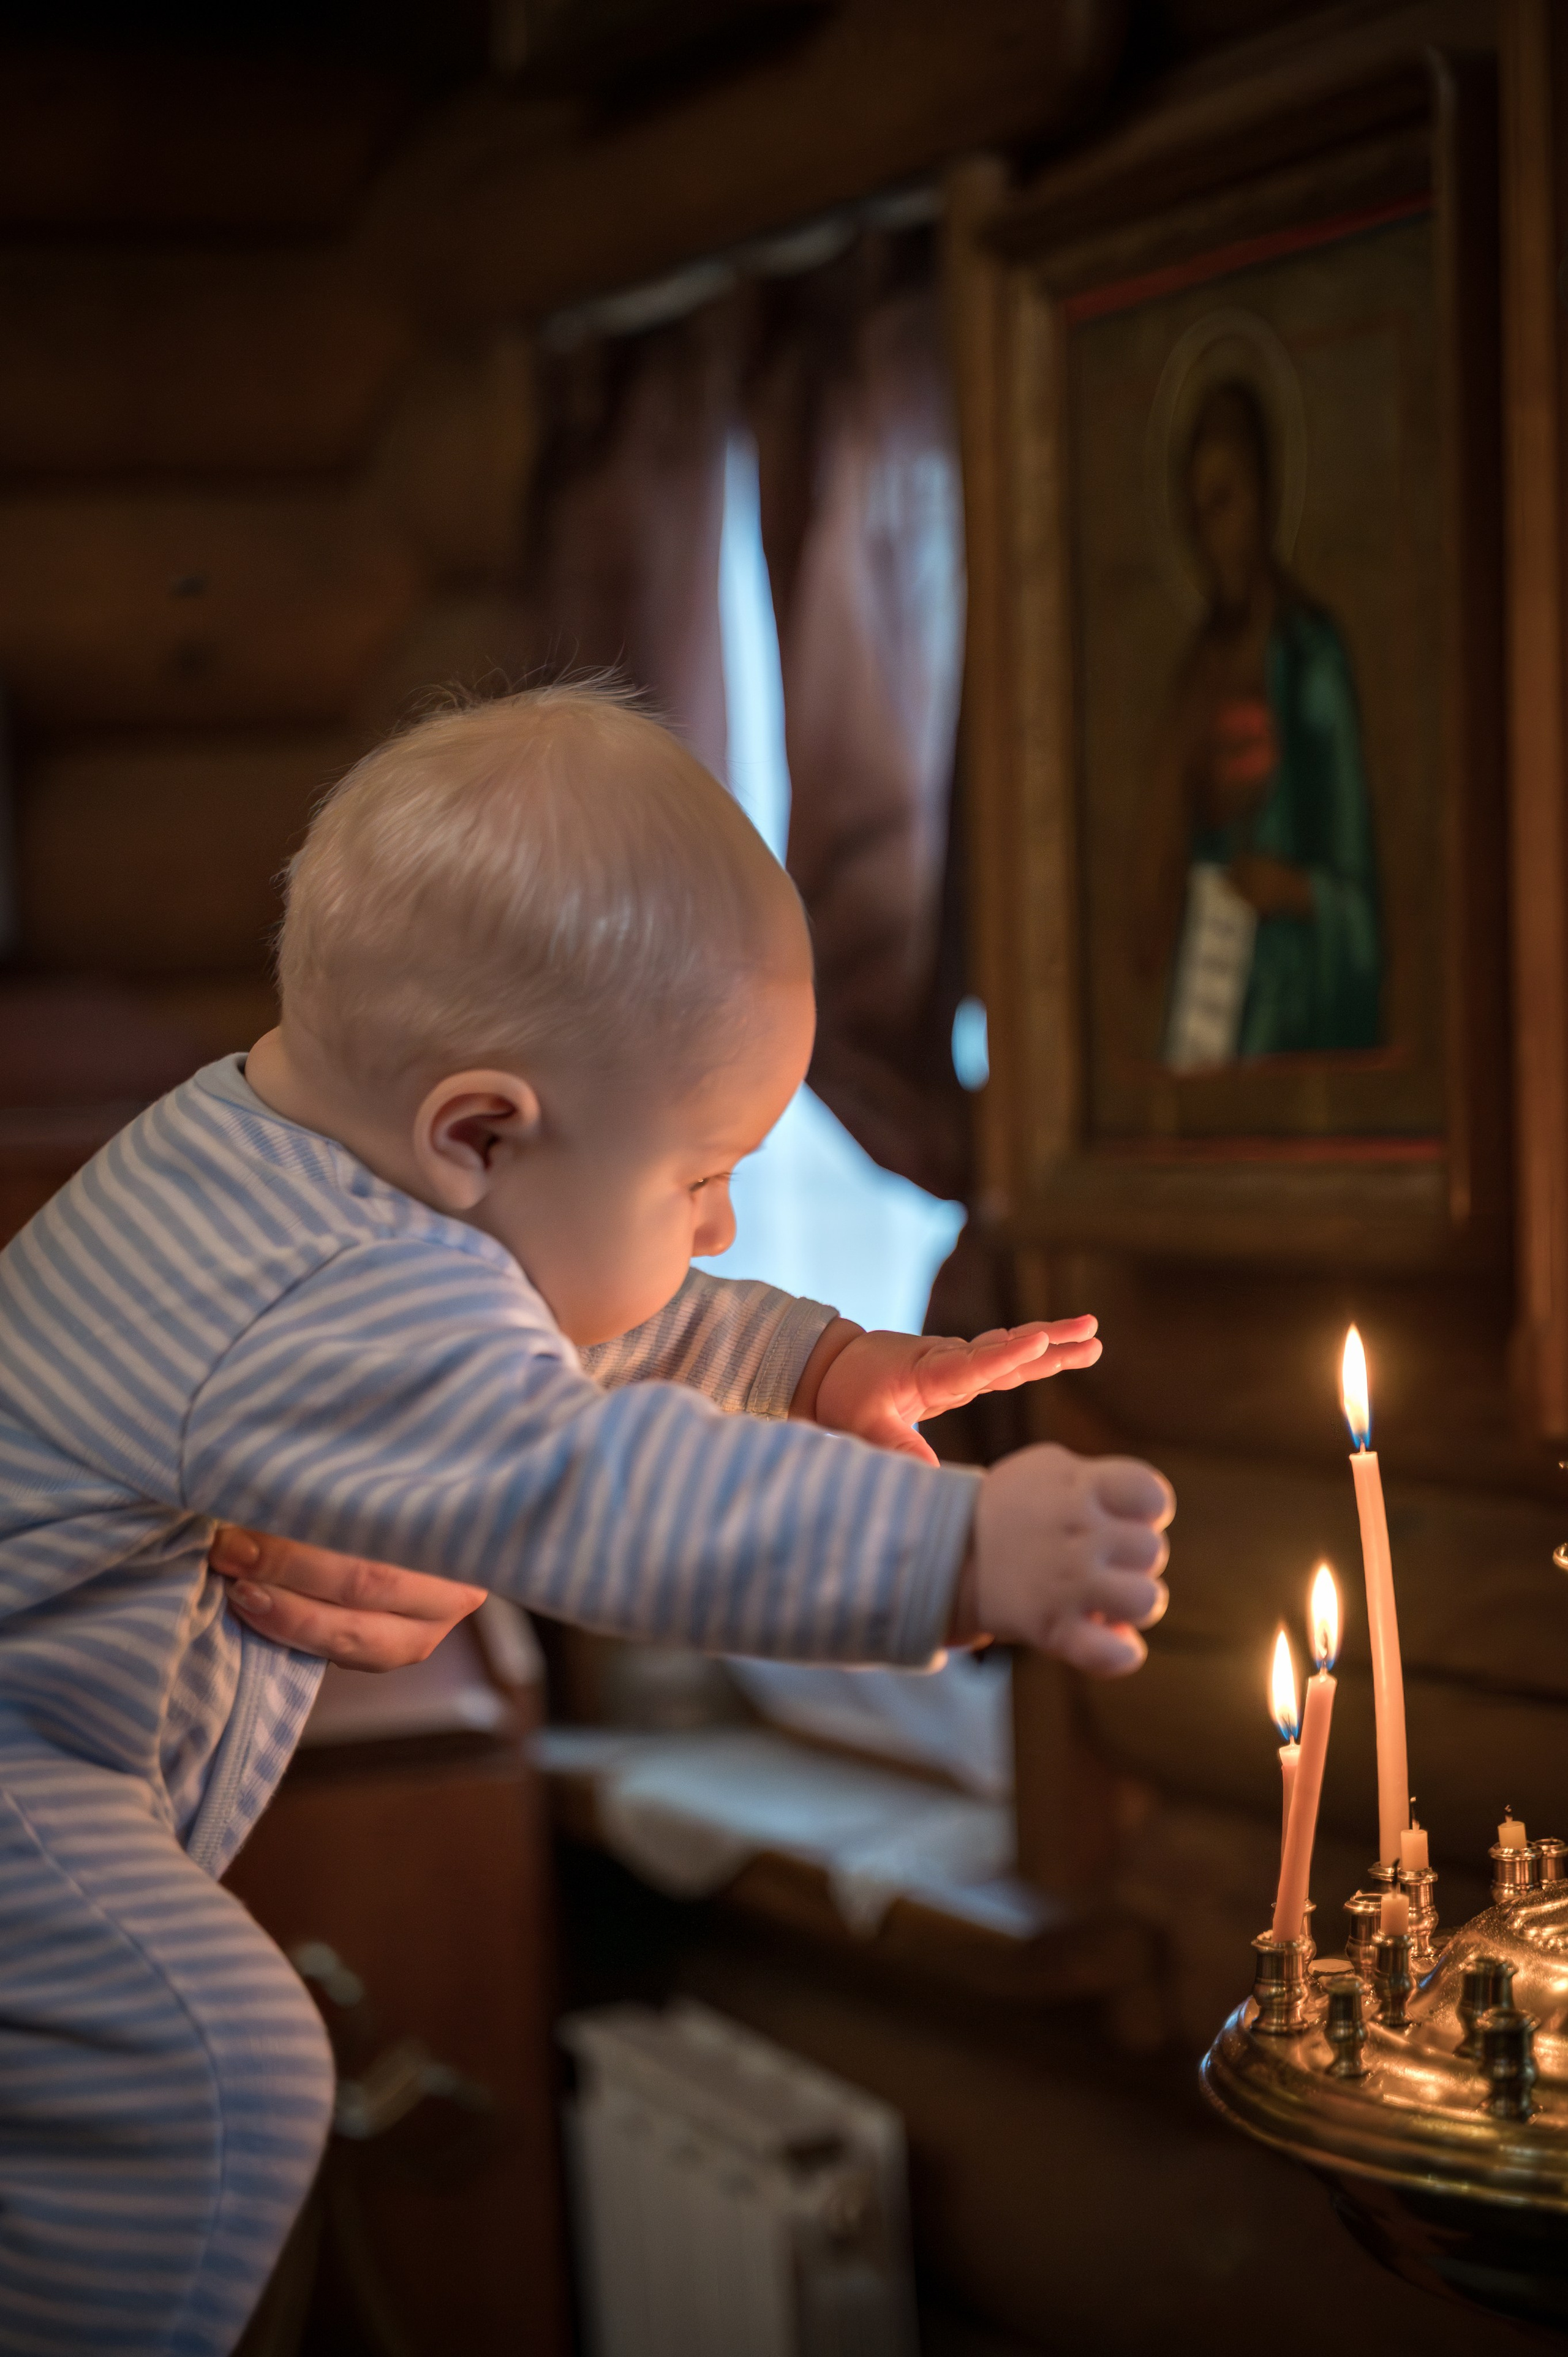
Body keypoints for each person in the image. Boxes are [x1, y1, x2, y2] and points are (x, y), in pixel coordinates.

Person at [0, 684, 1174, 2355]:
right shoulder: (338, 1289)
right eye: (702, 1172)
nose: (724, 1217)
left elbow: (589, 1309)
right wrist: (956, 1549)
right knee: (223, 2066)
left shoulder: (296, 1165)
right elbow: (594, 1487)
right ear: (478, 1130)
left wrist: (821, 1365)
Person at [1138, 377, 1381, 1063]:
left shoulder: (1311, 659)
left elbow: (1356, 889)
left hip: (1300, 1009)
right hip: (1209, 1008)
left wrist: (1291, 888)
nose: (1210, 533)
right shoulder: (1195, 674)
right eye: (1196, 511)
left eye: (1225, 500)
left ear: (1265, 494)